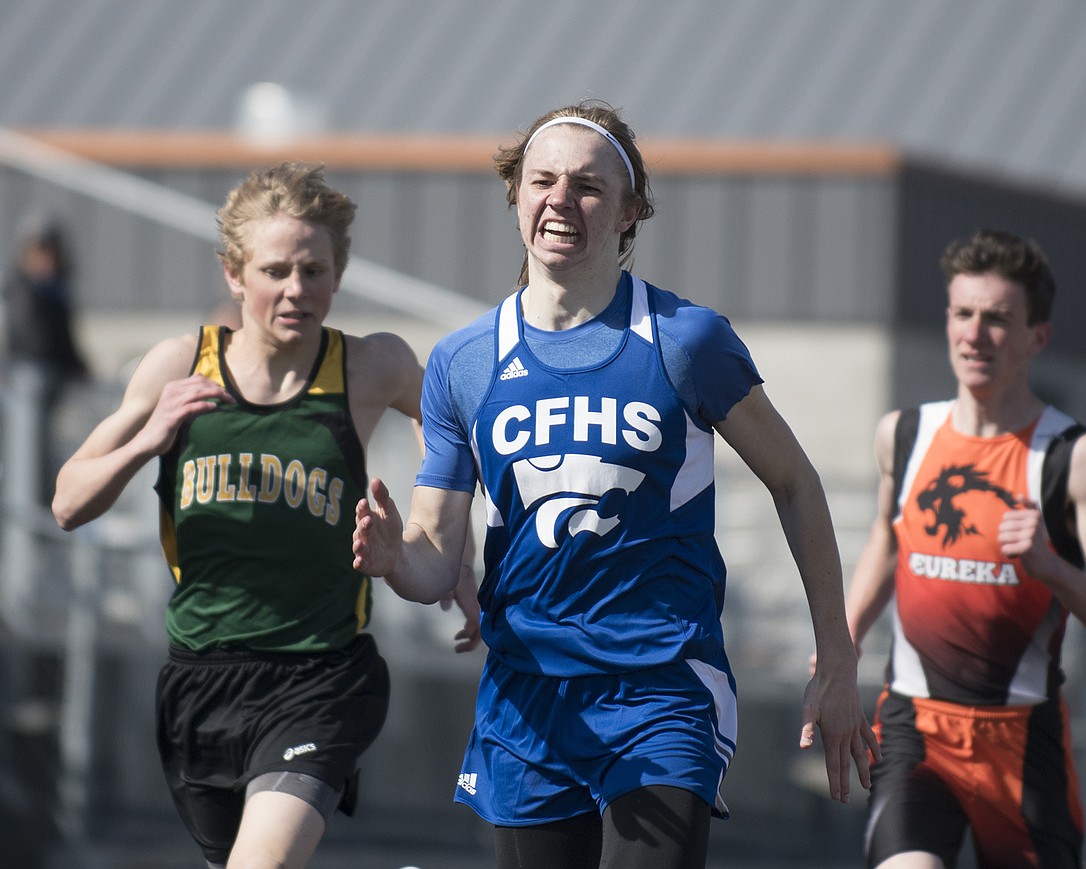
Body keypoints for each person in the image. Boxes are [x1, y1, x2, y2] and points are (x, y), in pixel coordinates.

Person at [352, 100, 878, 869]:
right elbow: (437, 554)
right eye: (542, 181)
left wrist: (837, 659)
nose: (560, 201)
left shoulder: (687, 340)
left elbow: (796, 483)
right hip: (526, 698)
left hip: (659, 690)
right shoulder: (464, 362)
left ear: (632, 211)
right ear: (515, 195)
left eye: (588, 186)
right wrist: (394, 557)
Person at [52, 162, 479, 869]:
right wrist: (151, 440)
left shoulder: (373, 367)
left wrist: (447, 551)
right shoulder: (178, 367)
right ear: (234, 273)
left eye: (314, 270)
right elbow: (68, 501)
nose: (296, 289)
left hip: (323, 676)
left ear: (338, 274)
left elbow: (448, 431)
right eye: (276, 270)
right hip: (201, 681)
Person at [845, 228, 1086, 868]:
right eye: (963, 314)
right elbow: (885, 539)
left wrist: (1051, 568)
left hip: (1021, 744)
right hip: (916, 728)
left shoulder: (1077, 459)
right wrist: (837, 649)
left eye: (997, 319)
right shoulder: (904, 434)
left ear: (1039, 336)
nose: (974, 335)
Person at [3, 214, 90, 503]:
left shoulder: (57, 291)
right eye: (37, 251)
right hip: (29, 392)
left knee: (45, 467)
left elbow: (65, 341)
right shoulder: (21, 290)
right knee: (26, 466)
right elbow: (35, 342)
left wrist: (78, 366)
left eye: (48, 250)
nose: (44, 258)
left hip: (52, 392)